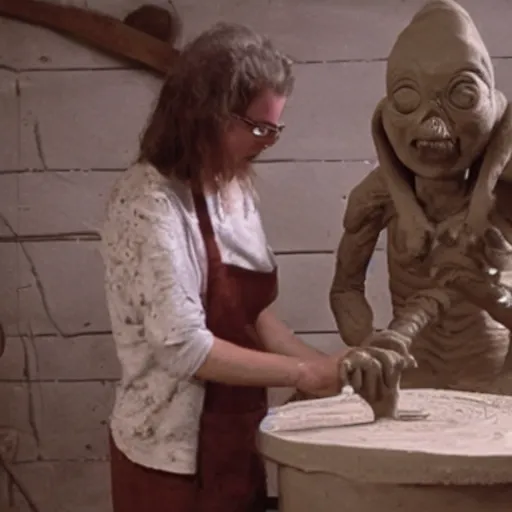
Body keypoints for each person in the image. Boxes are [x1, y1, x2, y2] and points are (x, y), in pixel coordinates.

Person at [101, 22, 405, 512]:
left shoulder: (234, 189)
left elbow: (253, 316)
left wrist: (339, 370)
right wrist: (304, 373)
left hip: (236, 440)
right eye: (260, 127)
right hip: (169, 455)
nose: (270, 141)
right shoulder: (147, 203)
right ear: (208, 114)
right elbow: (184, 347)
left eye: (276, 128)